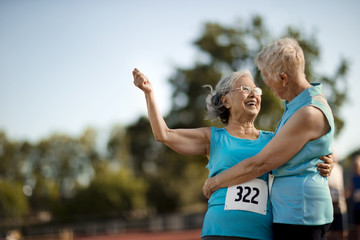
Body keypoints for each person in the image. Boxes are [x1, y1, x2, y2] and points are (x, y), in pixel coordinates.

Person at [133, 67, 332, 240]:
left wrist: (327, 161)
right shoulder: (212, 138)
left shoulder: (274, 138)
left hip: (262, 233)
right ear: (226, 100)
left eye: (256, 90)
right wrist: (149, 93)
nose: (253, 93)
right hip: (220, 231)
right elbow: (164, 134)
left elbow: (309, 150)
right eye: (245, 89)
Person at [202, 37, 334, 240]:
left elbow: (260, 164)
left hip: (301, 215)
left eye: (265, 78)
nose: (263, 86)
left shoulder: (308, 112)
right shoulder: (296, 105)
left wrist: (215, 182)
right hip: (289, 214)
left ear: (283, 78)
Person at [327, 150, 348, 240]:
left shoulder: (339, 168)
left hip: (340, 206)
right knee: (328, 232)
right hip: (329, 206)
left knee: (342, 231)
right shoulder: (326, 167)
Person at [351, 150, 360, 239]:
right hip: (356, 207)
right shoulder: (353, 177)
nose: (355, 165)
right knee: (357, 226)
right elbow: (351, 190)